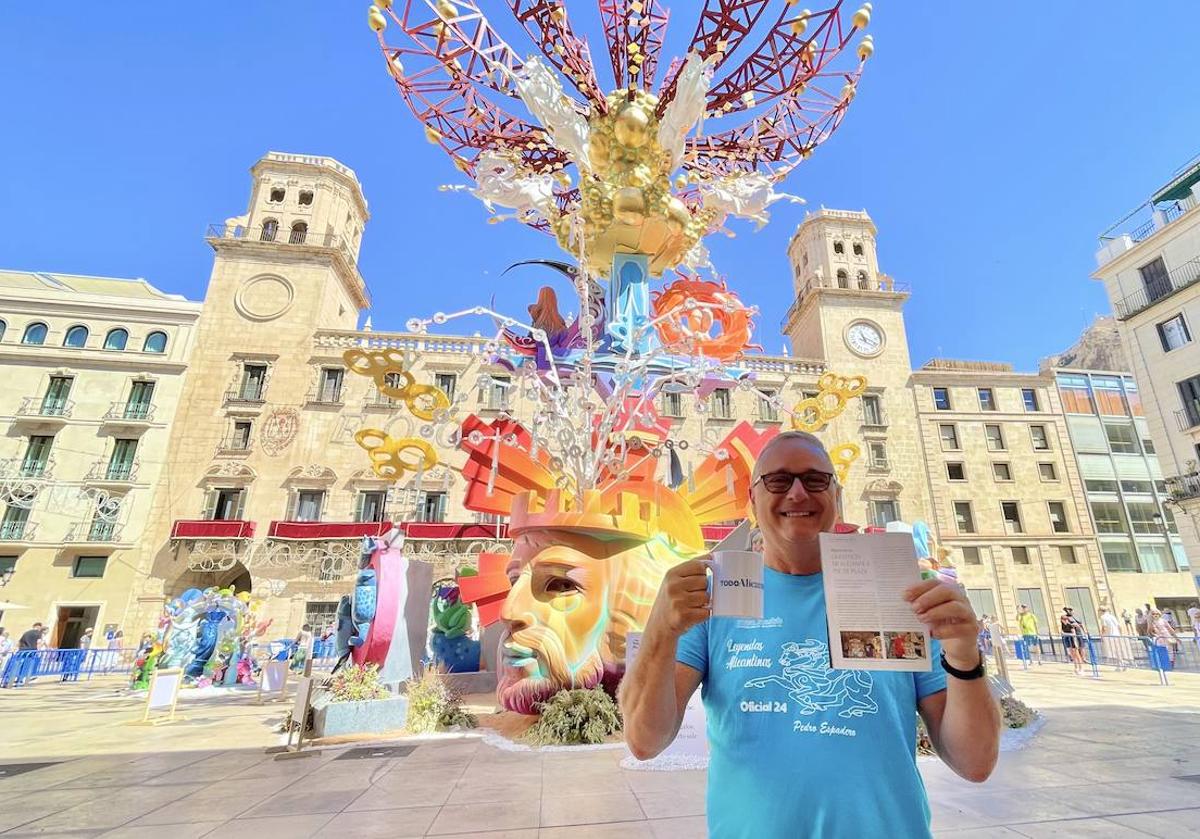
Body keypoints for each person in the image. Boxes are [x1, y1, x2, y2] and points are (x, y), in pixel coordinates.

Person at [619, 431, 1000, 838]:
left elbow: (974, 762)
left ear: (836, 494)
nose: (798, 493)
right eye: (778, 480)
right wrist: (661, 627)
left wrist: (963, 656)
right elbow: (645, 741)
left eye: (815, 480)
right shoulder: (715, 598)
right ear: (752, 499)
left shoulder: (902, 593)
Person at [1060, 607, 1087, 675]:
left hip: (1073, 639)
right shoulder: (1063, 625)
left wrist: (1065, 633)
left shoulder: (1070, 625)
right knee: (1072, 654)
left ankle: (1081, 668)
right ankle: (1076, 668)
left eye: (1065, 620)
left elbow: (1073, 633)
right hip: (1068, 639)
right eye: (1063, 620)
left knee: (1076, 654)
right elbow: (1062, 631)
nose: (1064, 621)